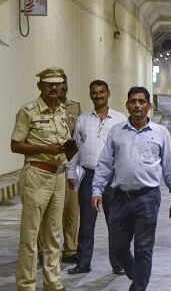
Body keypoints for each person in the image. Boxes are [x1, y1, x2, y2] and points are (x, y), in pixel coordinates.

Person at [91, 86, 171, 291]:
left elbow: (169, 167)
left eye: (142, 102)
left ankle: (139, 286)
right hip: (120, 198)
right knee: (117, 247)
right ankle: (136, 272)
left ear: (148, 106)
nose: (137, 105)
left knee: (143, 247)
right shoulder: (117, 132)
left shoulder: (160, 133)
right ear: (127, 105)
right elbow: (105, 164)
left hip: (147, 198)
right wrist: (97, 189)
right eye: (133, 101)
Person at [11, 67, 77, 291]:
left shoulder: (62, 111)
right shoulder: (29, 111)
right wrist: (44, 148)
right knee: (30, 235)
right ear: (40, 86)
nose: (55, 88)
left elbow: (64, 144)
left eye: (58, 84)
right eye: (50, 84)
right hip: (37, 174)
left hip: (58, 176)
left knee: (53, 233)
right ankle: (26, 284)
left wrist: (72, 148)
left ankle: (53, 282)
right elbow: (16, 144)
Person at [66, 80, 127, 275]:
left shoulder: (120, 119)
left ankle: (118, 263)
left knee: (115, 223)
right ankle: (83, 263)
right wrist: (70, 172)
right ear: (90, 95)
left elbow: (126, 150)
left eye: (102, 92)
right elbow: (74, 149)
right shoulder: (83, 119)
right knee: (86, 222)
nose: (98, 95)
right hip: (89, 177)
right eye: (94, 92)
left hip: (112, 178)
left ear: (108, 93)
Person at [57, 73, 81, 263]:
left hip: (71, 165)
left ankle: (70, 249)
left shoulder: (74, 106)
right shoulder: (37, 109)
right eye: (57, 85)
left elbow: (78, 135)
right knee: (49, 211)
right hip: (51, 166)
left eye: (64, 85)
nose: (61, 89)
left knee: (72, 210)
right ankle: (43, 249)